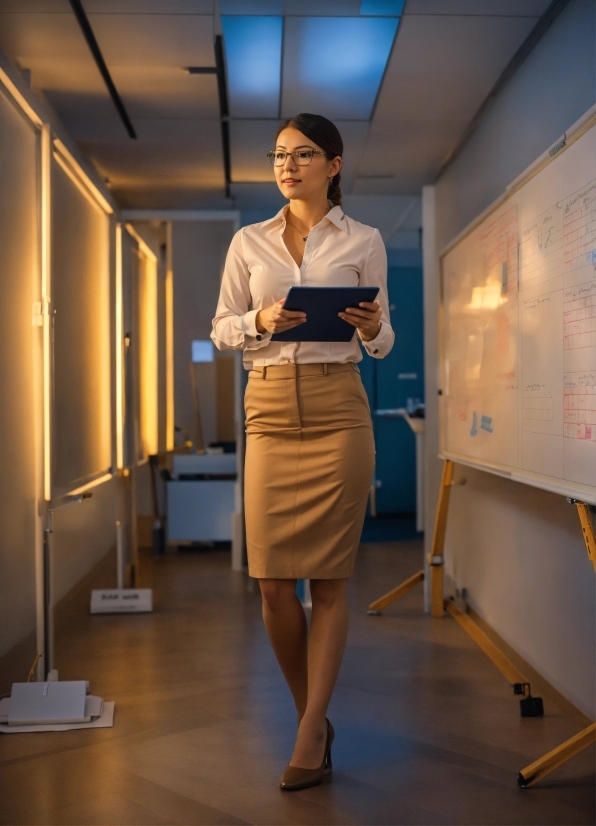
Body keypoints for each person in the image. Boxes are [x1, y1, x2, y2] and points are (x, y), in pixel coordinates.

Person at [211, 113, 394, 790]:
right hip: (268, 406)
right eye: (280, 155)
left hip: (338, 408)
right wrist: (260, 321)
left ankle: (311, 729)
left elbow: (382, 339)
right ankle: (310, 717)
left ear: (334, 165)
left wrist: (374, 326)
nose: (288, 165)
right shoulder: (249, 243)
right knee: (270, 582)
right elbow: (224, 328)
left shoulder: (365, 239)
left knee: (329, 581)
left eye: (304, 154)